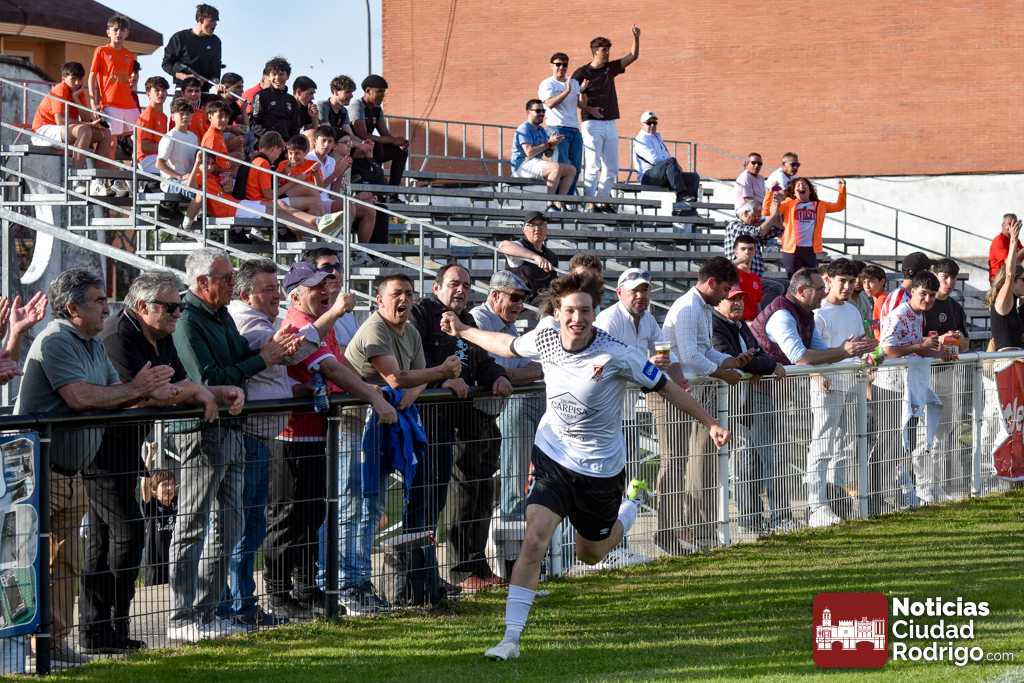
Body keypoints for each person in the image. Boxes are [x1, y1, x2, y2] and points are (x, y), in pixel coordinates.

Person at [438, 271, 729, 661]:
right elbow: (505, 345)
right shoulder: (544, 337)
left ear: (595, 313)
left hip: (600, 470)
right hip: (553, 457)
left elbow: (667, 387)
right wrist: (463, 330)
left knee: (589, 554)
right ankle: (510, 639)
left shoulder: (618, 354)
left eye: (585, 311)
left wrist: (710, 422)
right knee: (534, 538)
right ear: (558, 312)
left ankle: (628, 509)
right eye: (571, 311)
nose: (578, 318)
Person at [13, 269, 175, 662]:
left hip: (72, 473)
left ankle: (52, 643)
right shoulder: (56, 340)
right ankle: (18, 642)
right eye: (99, 300)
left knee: (65, 562)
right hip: (38, 471)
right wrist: (138, 389)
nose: (107, 307)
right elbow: (81, 397)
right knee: (26, 560)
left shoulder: (92, 345)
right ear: (73, 308)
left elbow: (115, 393)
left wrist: (146, 391)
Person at [82, 271, 238, 653]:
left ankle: (108, 630)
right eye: (170, 307)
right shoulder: (118, 336)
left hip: (128, 447)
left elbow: (180, 385)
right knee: (126, 535)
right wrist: (177, 391)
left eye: (180, 307)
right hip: (101, 449)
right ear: (142, 306)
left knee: (109, 538)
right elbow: (139, 396)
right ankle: (100, 628)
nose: (178, 314)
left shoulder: (160, 334)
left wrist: (205, 391)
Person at [168, 249, 301, 643]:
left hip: (232, 428)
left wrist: (266, 352)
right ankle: (182, 615)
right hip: (202, 430)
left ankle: (210, 611)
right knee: (193, 524)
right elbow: (208, 377)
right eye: (226, 278)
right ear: (201, 282)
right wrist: (263, 359)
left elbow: (238, 357)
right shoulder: (188, 320)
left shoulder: (221, 314)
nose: (232, 283)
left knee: (232, 524)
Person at [265, 262, 397, 618]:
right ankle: (278, 593)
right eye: (315, 287)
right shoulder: (297, 324)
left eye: (326, 285)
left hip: (316, 433)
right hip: (291, 436)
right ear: (295, 296)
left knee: (311, 515)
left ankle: (306, 588)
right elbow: (331, 368)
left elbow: (338, 365)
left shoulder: (322, 326)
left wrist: (366, 389)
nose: (325, 291)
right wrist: (374, 398)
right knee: (288, 518)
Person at [342, 273, 462, 613]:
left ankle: (363, 583)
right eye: (397, 293)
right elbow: (398, 376)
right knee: (357, 507)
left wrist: (409, 392)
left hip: (386, 424)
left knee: (374, 506)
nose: (404, 299)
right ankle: (349, 585)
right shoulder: (375, 329)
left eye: (409, 293)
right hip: (355, 427)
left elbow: (414, 378)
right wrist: (438, 374)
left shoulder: (410, 331)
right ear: (379, 300)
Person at [410, 264, 510, 591]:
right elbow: (413, 360)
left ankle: (475, 564)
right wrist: (441, 379)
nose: (461, 290)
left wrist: (497, 376)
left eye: (466, 285)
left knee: (478, 491)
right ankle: (439, 573)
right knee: (437, 496)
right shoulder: (421, 314)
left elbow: (482, 362)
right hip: (432, 418)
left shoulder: (466, 320)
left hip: (468, 418)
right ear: (437, 286)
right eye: (454, 283)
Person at [659, 257, 751, 553]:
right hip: (673, 392)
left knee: (701, 462)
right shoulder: (688, 308)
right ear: (711, 282)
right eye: (724, 289)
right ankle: (669, 533)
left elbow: (705, 351)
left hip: (691, 390)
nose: (726, 296)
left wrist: (730, 362)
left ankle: (698, 531)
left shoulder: (700, 307)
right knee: (676, 463)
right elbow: (690, 357)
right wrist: (723, 371)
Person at [224, 259, 292, 627]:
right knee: (244, 526)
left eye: (277, 288)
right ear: (247, 294)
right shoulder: (248, 321)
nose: (276, 295)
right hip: (248, 436)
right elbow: (288, 349)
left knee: (249, 524)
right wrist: (328, 317)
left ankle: (241, 603)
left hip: (259, 437)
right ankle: (239, 605)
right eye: (268, 289)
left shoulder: (260, 319)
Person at [875, 271, 956, 509]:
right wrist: (921, 345)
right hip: (890, 386)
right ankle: (883, 497)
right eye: (924, 294)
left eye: (932, 295)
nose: (928, 299)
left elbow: (915, 349)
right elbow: (887, 350)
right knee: (890, 443)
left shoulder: (919, 315)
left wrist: (939, 352)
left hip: (910, 387)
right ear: (912, 292)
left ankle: (901, 494)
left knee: (905, 442)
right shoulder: (899, 314)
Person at [710, 284, 785, 535]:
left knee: (750, 459)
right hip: (723, 403)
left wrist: (758, 365)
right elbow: (732, 359)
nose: (739, 303)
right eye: (733, 299)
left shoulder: (741, 325)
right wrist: (761, 366)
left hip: (744, 400)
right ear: (720, 301)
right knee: (740, 461)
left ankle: (754, 518)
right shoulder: (715, 325)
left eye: (741, 299)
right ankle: (746, 520)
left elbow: (760, 355)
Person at [469, 272, 544, 522]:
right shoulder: (478, 321)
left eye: (523, 299)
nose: (519, 305)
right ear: (494, 295)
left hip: (492, 416)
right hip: (474, 417)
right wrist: (511, 375)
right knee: (468, 497)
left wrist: (513, 374)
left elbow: (533, 368)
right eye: (514, 298)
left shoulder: (508, 325)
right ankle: (513, 512)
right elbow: (493, 373)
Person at [805, 259, 869, 527]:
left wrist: (870, 355)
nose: (847, 286)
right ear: (828, 280)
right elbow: (808, 354)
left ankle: (837, 501)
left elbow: (859, 347)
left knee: (845, 446)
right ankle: (816, 505)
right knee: (822, 445)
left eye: (852, 281)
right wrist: (817, 375)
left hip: (852, 383)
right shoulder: (818, 312)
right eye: (842, 281)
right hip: (827, 385)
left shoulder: (852, 310)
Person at [572, 28, 640, 211]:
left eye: (608, 50)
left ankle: (601, 201)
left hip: (610, 123)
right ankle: (589, 203)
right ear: (595, 51)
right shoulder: (581, 73)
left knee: (611, 168)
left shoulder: (610, 68)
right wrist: (588, 108)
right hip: (591, 123)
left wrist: (636, 38)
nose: (608, 53)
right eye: (604, 50)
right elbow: (571, 98)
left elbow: (633, 56)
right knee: (593, 166)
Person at [925, 258, 971, 495]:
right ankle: (926, 486)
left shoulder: (955, 307)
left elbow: (966, 343)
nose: (950, 282)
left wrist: (957, 340)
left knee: (945, 432)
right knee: (926, 433)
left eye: (953, 277)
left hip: (949, 373)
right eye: (945, 277)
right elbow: (913, 342)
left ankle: (941, 485)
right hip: (925, 375)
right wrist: (939, 340)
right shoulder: (924, 304)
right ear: (935, 275)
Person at [30, 61, 110, 190]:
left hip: (62, 130)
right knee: (84, 130)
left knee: (105, 134)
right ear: (64, 78)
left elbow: (86, 118)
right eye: (73, 79)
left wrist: (76, 99)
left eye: (80, 79)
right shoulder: (60, 89)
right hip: (42, 131)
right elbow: (60, 121)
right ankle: (76, 179)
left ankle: (98, 182)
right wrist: (87, 124)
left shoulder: (78, 92)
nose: (77, 83)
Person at [87, 14, 138, 197]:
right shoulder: (101, 51)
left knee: (140, 137)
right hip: (110, 103)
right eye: (115, 29)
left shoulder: (130, 55)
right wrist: (93, 102)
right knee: (110, 141)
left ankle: (136, 178)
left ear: (127, 33)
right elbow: (92, 77)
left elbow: (132, 81)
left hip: (129, 104)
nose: (119, 33)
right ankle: (110, 179)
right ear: (108, 32)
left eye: (122, 30)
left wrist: (135, 81)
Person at [763, 177, 847, 278]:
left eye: (804, 184)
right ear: (794, 193)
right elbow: (767, 212)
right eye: (798, 185)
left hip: (809, 249)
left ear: (810, 190)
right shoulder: (788, 204)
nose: (801, 186)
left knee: (811, 279)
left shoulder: (820, 205)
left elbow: (839, 206)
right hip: (791, 249)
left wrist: (842, 188)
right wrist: (770, 192)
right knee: (794, 279)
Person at [348, 74, 409, 194]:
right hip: (356, 148)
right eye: (379, 91)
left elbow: (385, 134)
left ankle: (393, 193)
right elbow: (363, 135)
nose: (383, 95)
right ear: (368, 91)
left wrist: (398, 143)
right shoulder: (357, 105)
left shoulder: (377, 109)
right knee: (376, 145)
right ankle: (379, 188)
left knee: (400, 152)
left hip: (371, 148)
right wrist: (393, 140)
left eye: (384, 92)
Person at [510, 99, 574, 208]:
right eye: (538, 111)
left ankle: (560, 202)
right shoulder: (524, 128)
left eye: (543, 111)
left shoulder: (541, 130)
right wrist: (548, 143)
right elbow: (529, 152)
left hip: (535, 163)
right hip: (522, 166)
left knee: (571, 170)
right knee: (555, 168)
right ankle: (550, 204)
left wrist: (553, 144)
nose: (542, 114)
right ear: (528, 112)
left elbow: (548, 154)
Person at [632, 111, 700, 211]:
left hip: (662, 174)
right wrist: (673, 163)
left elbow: (666, 157)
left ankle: (689, 210)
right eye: (649, 123)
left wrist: (674, 165)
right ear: (642, 124)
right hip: (648, 177)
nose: (652, 125)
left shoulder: (657, 138)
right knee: (671, 161)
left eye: (654, 123)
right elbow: (654, 160)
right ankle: (681, 195)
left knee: (693, 177)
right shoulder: (640, 139)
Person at [723, 199, 785, 305]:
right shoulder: (734, 225)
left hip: (754, 276)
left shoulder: (753, 227)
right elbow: (756, 233)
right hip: (738, 277)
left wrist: (777, 212)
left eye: (759, 217)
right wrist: (772, 217)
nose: (757, 219)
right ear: (745, 213)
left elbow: (778, 230)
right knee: (775, 287)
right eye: (755, 216)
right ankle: (763, 314)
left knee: (787, 284)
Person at [538, 53, 582, 193]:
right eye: (558, 64)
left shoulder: (574, 82)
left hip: (574, 128)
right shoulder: (547, 83)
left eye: (565, 65)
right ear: (551, 65)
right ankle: (556, 200)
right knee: (560, 166)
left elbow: (580, 104)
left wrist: (585, 92)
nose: (561, 67)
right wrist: (567, 91)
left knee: (575, 167)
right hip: (557, 128)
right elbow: (550, 103)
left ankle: (568, 199)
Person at [162, 4, 222, 102]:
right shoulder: (179, 37)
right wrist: (186, 77)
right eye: (212, 21)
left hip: (204, 94)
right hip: (182, 92)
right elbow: (166, 64)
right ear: (201, 19)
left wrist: (215, 83)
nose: (215, 24)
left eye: (216, 21)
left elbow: (216, 70)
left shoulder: (215, 42)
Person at [498, 211, 559, 301]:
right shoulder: (520, 246)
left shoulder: (552, 256)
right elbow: (503, 246)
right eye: (532, 225)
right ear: (524, 230)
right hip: (522, 303)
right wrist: (535, 257)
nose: (537, 228)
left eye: (541, 224)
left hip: (546, 302)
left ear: (546, 229)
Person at [989, 217, 1024, 350]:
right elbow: (1009, 273)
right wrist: (1013, 240)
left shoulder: (1013, 303)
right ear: (1013, 282)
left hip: (1015, 358)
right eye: (1023, 280)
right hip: (1006, 360)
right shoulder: (1004, 301)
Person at [251, 57, 302, 142]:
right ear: (269, 76)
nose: (277, 78)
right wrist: (271, 139)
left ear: (287, 76)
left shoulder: (291, 100)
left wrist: (289, 143)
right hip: (266, 143)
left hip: (286, 145)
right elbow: (254, 123)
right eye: (274, 74)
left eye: (281, 74)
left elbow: (295, 126)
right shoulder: (259, 96)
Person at [141, 469, 178, 587]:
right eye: (165, 485)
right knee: (156, 595)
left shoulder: (178, 503)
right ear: (154, 490)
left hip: (176, 562)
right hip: (155, 566)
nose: (170, 488)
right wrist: (147, 460)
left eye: (172, 484)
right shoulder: (152, 505)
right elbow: (144, 486)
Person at [879, 252, 932, 329]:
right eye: (926, 271)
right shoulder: (899, 297)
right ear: (911, 272)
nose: (928, 276)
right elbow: (890, 333)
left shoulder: (910, 295)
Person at [137, 76, 170, 177]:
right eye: (157, 90)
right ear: (148, 93)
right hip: (146, 160)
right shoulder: (147, 115)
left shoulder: (164, 116)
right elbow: (145, 147)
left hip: (157, 157)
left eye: (164, 90)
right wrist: (169, 149)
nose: (161, 93)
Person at [733, 234, 764, 321]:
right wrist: (739, 260)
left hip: (753, 323)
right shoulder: (731, 273)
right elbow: (719, 270)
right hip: (738, 323)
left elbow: (757, 304)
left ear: (755, 252)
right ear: (735, 252)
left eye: (750, 249)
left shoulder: (755, 277)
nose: (747, 252)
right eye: (743, 249)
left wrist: (760, 322)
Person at [988, 213, 1022, 282]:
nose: (1012, 227)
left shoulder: (1016, 240)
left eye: (1015, 224)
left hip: (1011, 276)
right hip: (998, 279)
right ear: (1003, 225)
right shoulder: (999, 241)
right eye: (1010, 224)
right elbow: (1009, 262)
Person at [861, 264, 888, 338]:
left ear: (882, 282)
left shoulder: (882, 300)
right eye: (864, 282)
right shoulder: (884, 297)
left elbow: (883, 326)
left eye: (871, 282)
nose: (867, 286)